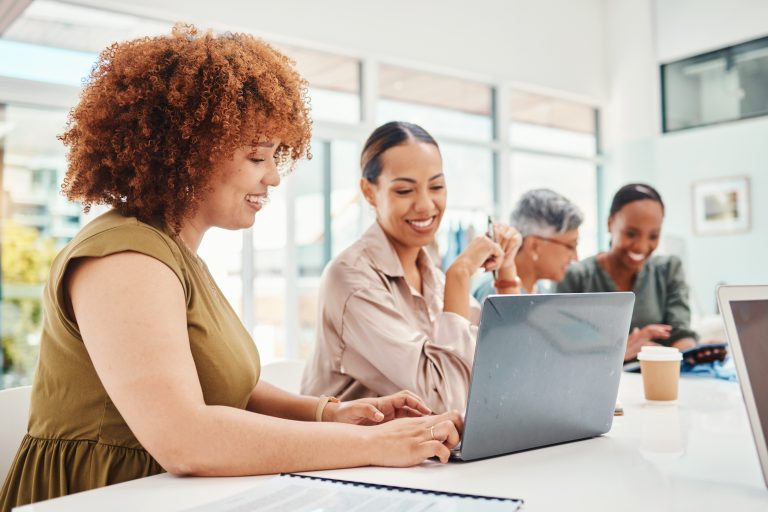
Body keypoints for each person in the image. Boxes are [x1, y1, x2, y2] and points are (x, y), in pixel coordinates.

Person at [0, 27, 463, 511]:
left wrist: (331, 414)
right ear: (188, 152)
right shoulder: (125, 258)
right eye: (257, 156)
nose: (274, 176)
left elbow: (220, 383)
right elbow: (186, 439)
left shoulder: (174, 253)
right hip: (101, 496)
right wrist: (377, 445)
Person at [301, 121, 522, 413]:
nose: (426, 205)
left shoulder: (430, 276)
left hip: (416, 452)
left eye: (437, 187)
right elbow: (446, 402)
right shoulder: (352, 278)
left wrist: (506, 274)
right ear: (369, 192)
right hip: (350, 456)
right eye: (405, 191)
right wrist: (460, 275)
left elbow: (510, 362)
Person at [557, 183, 698, 361]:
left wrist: (695, 355)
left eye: (653, 236)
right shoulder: (575, 276)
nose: (641, 246)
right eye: (631, 234)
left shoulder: (669, 269)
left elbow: (680, 334)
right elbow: (562, 348)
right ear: (610, 223)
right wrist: (619, 353)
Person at [472, 188, 583, 301]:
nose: (576, 258)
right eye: (570, 246)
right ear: (534, 246)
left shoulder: (541, 291)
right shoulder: (495, 296)